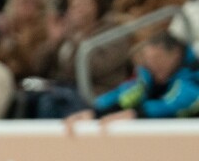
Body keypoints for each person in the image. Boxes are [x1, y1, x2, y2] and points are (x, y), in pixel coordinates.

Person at [65, 32, 199, 126]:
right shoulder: (149, 75)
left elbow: (178, 102)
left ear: (175, 54)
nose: (152, 65)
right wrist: (96, 113)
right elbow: (126, 95)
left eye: (157, 58)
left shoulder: (193, 74)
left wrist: (137, 114)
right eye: (148, 60)